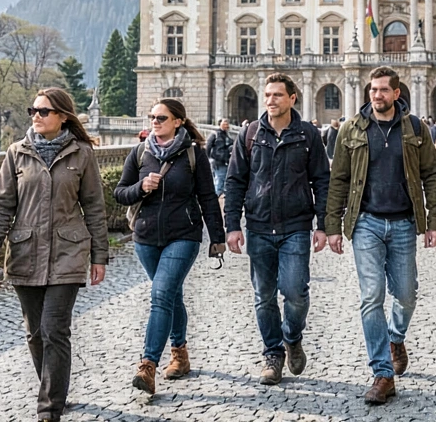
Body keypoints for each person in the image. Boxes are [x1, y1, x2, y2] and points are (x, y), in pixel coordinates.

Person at [0, 88, 109, 422]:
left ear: (63, 116)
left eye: (43, 111)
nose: (36, 116)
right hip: (25, 252)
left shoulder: (81, 154)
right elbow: (1, 206)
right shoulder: (16, 153)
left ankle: (49, 410)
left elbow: (94, 206)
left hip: (69, 252)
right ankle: (54, 390)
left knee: (54, 329)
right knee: (35, 334)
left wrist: (99, 255)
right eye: (33, 110)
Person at [325, 66, 436, 405]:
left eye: (382, 90)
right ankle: (382, 372)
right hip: (366, 223)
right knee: (371, 296)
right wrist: (333, 225)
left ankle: (395, 336)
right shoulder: (351, 129)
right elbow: (339, 180)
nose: (376, 95)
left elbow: (431, 176)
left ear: (396, 93)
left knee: (407, 295)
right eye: (372, 90)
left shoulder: (415, 128)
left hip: (405, 222)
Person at [114, 99, 225, 398]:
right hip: (146, 238)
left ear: (178, 121)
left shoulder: (193, 153)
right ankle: (180, 351)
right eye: (152, 116)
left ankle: (148, 365)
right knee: (170, 295)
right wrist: (141, 188)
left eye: (161, 117)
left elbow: (207, 196)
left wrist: (218, 237)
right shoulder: (140, 152)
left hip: (183, 236)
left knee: (160, 294)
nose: (155, 121)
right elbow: (120, 193)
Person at [225, 74, 330, 385]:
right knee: (264, 296)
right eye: (267, 95)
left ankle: (292, 336)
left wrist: (323, 224)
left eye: (277, 95)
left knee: (295, 291)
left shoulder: (308, 135)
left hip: (296, 225)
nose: (271, 100)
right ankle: (273, 353)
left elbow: (322, 181)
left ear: (292, 98)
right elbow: (235, 181)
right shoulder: (250, 134)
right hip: (258, 226)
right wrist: (232, 225)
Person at [206, 119, 234, 206]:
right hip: (218, 161)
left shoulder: (227, 135)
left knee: (222, 181)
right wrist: (210, 158)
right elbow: (208, 146)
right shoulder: (215, 134)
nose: (226, 125)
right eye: (224, 123)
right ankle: (213, 202)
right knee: (219, 182)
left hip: (225, 161)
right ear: (220, 124)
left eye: (227, 123)